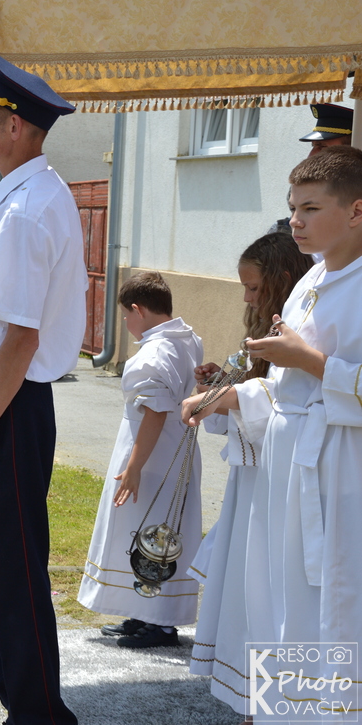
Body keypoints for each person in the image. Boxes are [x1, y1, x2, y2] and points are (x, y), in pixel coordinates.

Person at [182, 146, 362, 715]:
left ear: (356, 211)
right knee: (277, 603)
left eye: (311, 208)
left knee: (330, 606)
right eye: (292, 208)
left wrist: (309, 360)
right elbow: (289, 393)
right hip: (286, 474)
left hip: (341, 475)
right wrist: (232, 396)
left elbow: (311, 373)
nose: (295, 222)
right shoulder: (310, 280)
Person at [0, 55, 85, 722]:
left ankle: (39, 716)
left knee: (13, 577)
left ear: (17, 126)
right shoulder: (18, 198)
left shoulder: (27, 209)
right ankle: (24, 708)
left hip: (4, 407)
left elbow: (20, 339)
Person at [186, 229, 312, 718]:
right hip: (252, 479)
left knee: (266, 590)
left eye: (254, 288)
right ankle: (253, 700)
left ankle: (271, 700)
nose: (246, 298)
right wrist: (223, 383)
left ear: (283, 280)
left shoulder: (303, 328)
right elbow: (259, 394)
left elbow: (289, 403)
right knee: (243, 586)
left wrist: (231, 397)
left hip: (282, 477)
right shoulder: (264, 330)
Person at [76, 271, 203, 647]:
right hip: (173, 450)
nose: (126, 323)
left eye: (126, 316)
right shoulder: (186, 339)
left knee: (154, 534)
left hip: (153, 457)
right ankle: (143, 611)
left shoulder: (156, 351)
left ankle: (160, 623)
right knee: (149, 531)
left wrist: (133, 468)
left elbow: (155, 412)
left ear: (138, 310)